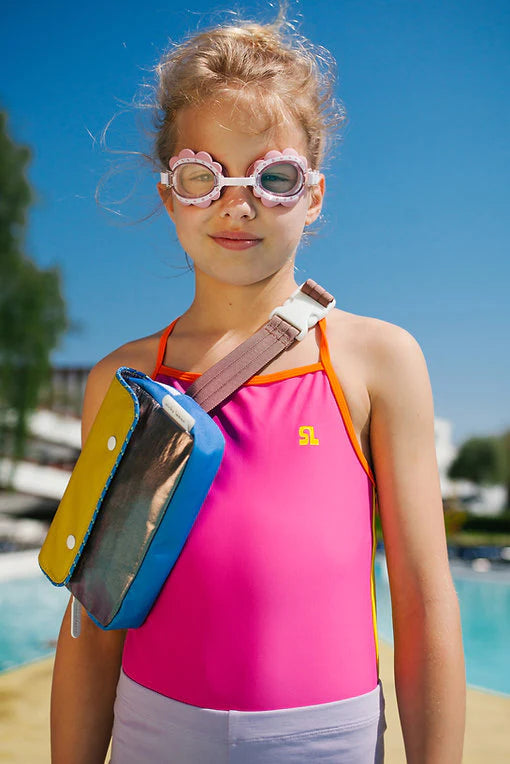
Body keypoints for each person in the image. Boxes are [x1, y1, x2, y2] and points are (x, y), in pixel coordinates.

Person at [50, 10, 466, 764]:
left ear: (313, 196)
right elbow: (92, 617)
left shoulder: (376, 360)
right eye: (204, 176)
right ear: (171, 194)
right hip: (155, 732)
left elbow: (426, 604)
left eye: (272, 178)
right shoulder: (125, 380)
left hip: (327, 740)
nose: (236, 204)